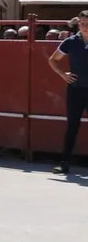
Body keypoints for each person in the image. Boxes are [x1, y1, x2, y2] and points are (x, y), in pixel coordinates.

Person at [48, 9, 88, 175]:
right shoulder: (71, 42)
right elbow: (53, 60)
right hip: (75, 90)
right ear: (78, 24)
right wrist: (63, 74)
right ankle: (64, 163)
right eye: (83, 23)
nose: (85, 27)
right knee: (72, 126)